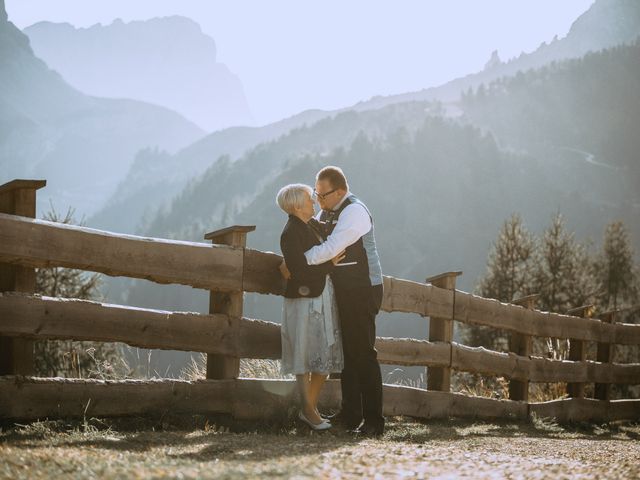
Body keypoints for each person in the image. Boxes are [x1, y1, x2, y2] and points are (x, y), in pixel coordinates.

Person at [304, 166, 385, 436]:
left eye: (322, 195)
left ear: (339, 191)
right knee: (346, 355)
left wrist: (299, 261)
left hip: (363, 288)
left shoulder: (354, 212)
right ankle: (351, 415)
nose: (318, 200)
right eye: (316, 194)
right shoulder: (328, 210)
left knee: (363, 353)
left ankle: (374, 421)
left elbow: (330, 248)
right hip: (344, 289)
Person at [276, 183, 345, 431]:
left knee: (323, 355)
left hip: (320, 295)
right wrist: (329, 265)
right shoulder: (290, 232)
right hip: (303, 301)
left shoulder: (310, 224)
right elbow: (298, 271)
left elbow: (328, 235)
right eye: (308, 199)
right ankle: (308, 410)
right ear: (296, 205)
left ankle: (309, 409)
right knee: (304, 355)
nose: (313, 202)